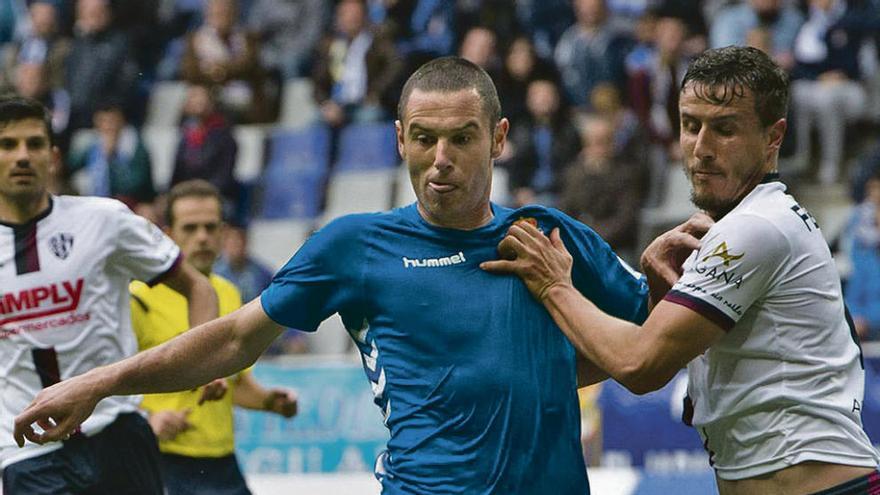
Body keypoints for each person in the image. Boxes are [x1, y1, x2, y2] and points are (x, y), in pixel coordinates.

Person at [12, 56, 668, 494]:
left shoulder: (548, 234)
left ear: (498, 138)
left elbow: (646, 337)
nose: (440, 160)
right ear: (398, 138)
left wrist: (673, 272)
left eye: (462, 138)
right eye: (422, 138)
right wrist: (100, 382)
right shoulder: (355, 247)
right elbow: (236, 337)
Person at [483, 46, 880, 494]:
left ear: (774, 137)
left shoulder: (754, 229)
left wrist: (554, 284)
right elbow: (640, 356)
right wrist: (657, 297)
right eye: (691, 125)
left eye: (724, 129)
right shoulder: (747, 225)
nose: (701, 148)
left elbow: (639, 366)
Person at [0, 95, 219, 494]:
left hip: (116, 432)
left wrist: (207, 362)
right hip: (26, 449)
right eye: (7, 145)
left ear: (53, 156)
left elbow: (197, 285)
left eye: (33, 144)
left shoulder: (103, 220)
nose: (21, 156)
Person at [131, 180, 297, 495]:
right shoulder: (139, 299)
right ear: (168, 235)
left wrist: (269, 402)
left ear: (223, 232)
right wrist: (148, 418)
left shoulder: (229, 293)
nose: (203, 237)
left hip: (222, 461)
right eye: (190, 228)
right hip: (164, 462)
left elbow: (234, 384)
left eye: (210, 227)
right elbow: (103, 383)